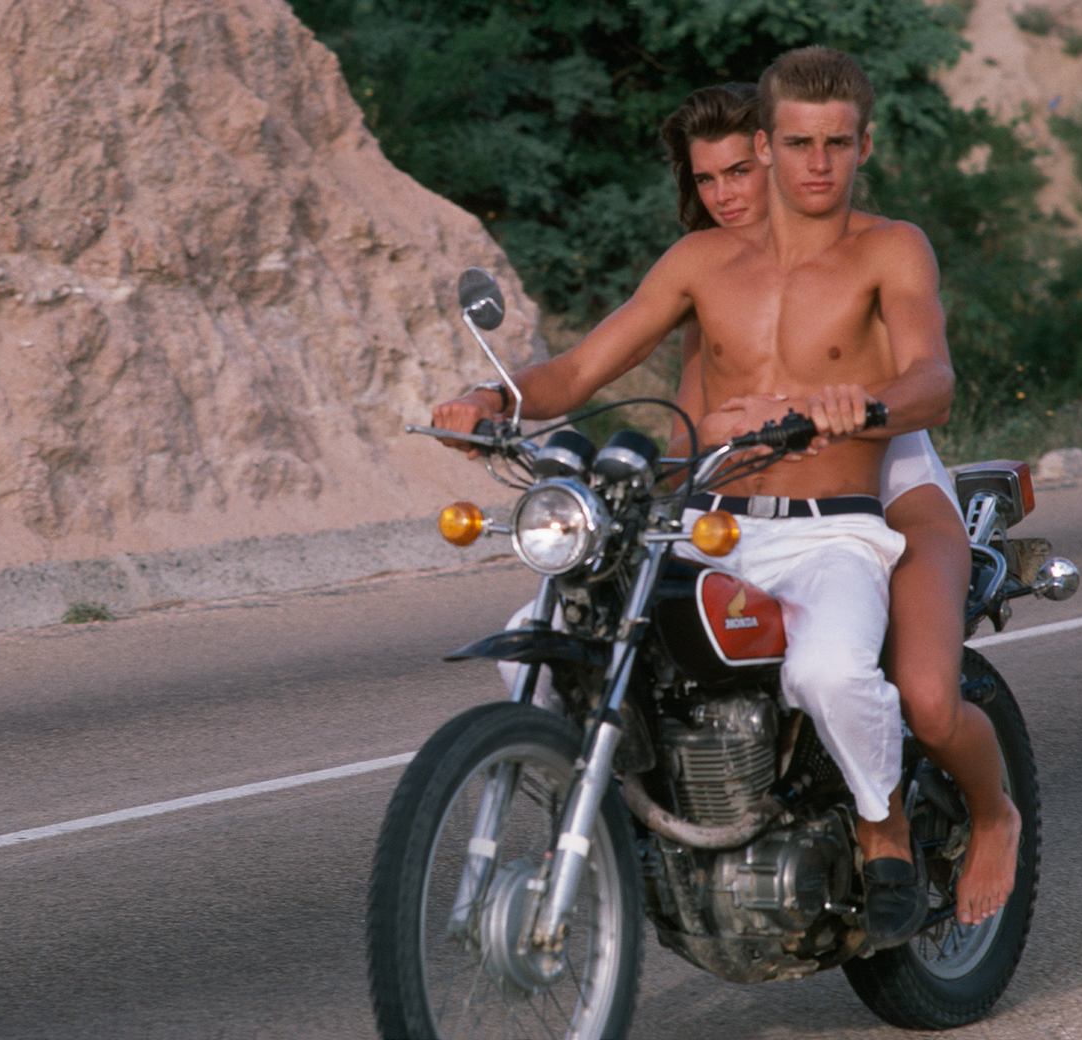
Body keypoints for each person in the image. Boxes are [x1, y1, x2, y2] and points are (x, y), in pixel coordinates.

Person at [430, 49, 1003, 943]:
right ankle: (608, 813)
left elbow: (934, 377)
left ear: (864, 146)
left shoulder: (890, 249)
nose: (818, 164)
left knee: (830, 673)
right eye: (800, 144)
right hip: (716, 526)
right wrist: (495, 403)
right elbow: (580, 369)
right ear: (769, 145)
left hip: (835, 532)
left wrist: (861, 406)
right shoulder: (701, 260)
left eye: (838, 144)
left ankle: (886, 822)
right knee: (542, 646)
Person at [660, 83, 1019, 930]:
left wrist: (863, 408)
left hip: (893, 488)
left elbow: (930, 380)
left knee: (927, 699)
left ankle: (989, 811)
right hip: (761, 508)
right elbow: (687, 420)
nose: (730, 195)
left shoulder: (873, 255)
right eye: (709, 181)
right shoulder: (715, 272)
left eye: (744, 170)